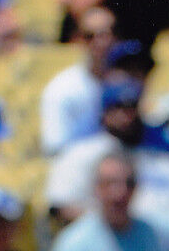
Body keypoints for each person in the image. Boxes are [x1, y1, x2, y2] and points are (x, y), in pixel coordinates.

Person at [45, 77, 169, 228]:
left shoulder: (162, 161)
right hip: (103, 242)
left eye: (131, 107)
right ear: (103, 114)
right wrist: (114, 229)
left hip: (159, 244)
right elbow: (62, 206)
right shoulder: (80, 154)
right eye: (117, 107)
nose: (125, 115)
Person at [39, 8, 121, 156]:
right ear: (79, 40)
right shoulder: (63, 89)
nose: (100, 42)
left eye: (106, 34)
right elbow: (55, 146)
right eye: (90, 36)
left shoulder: (127, 84)